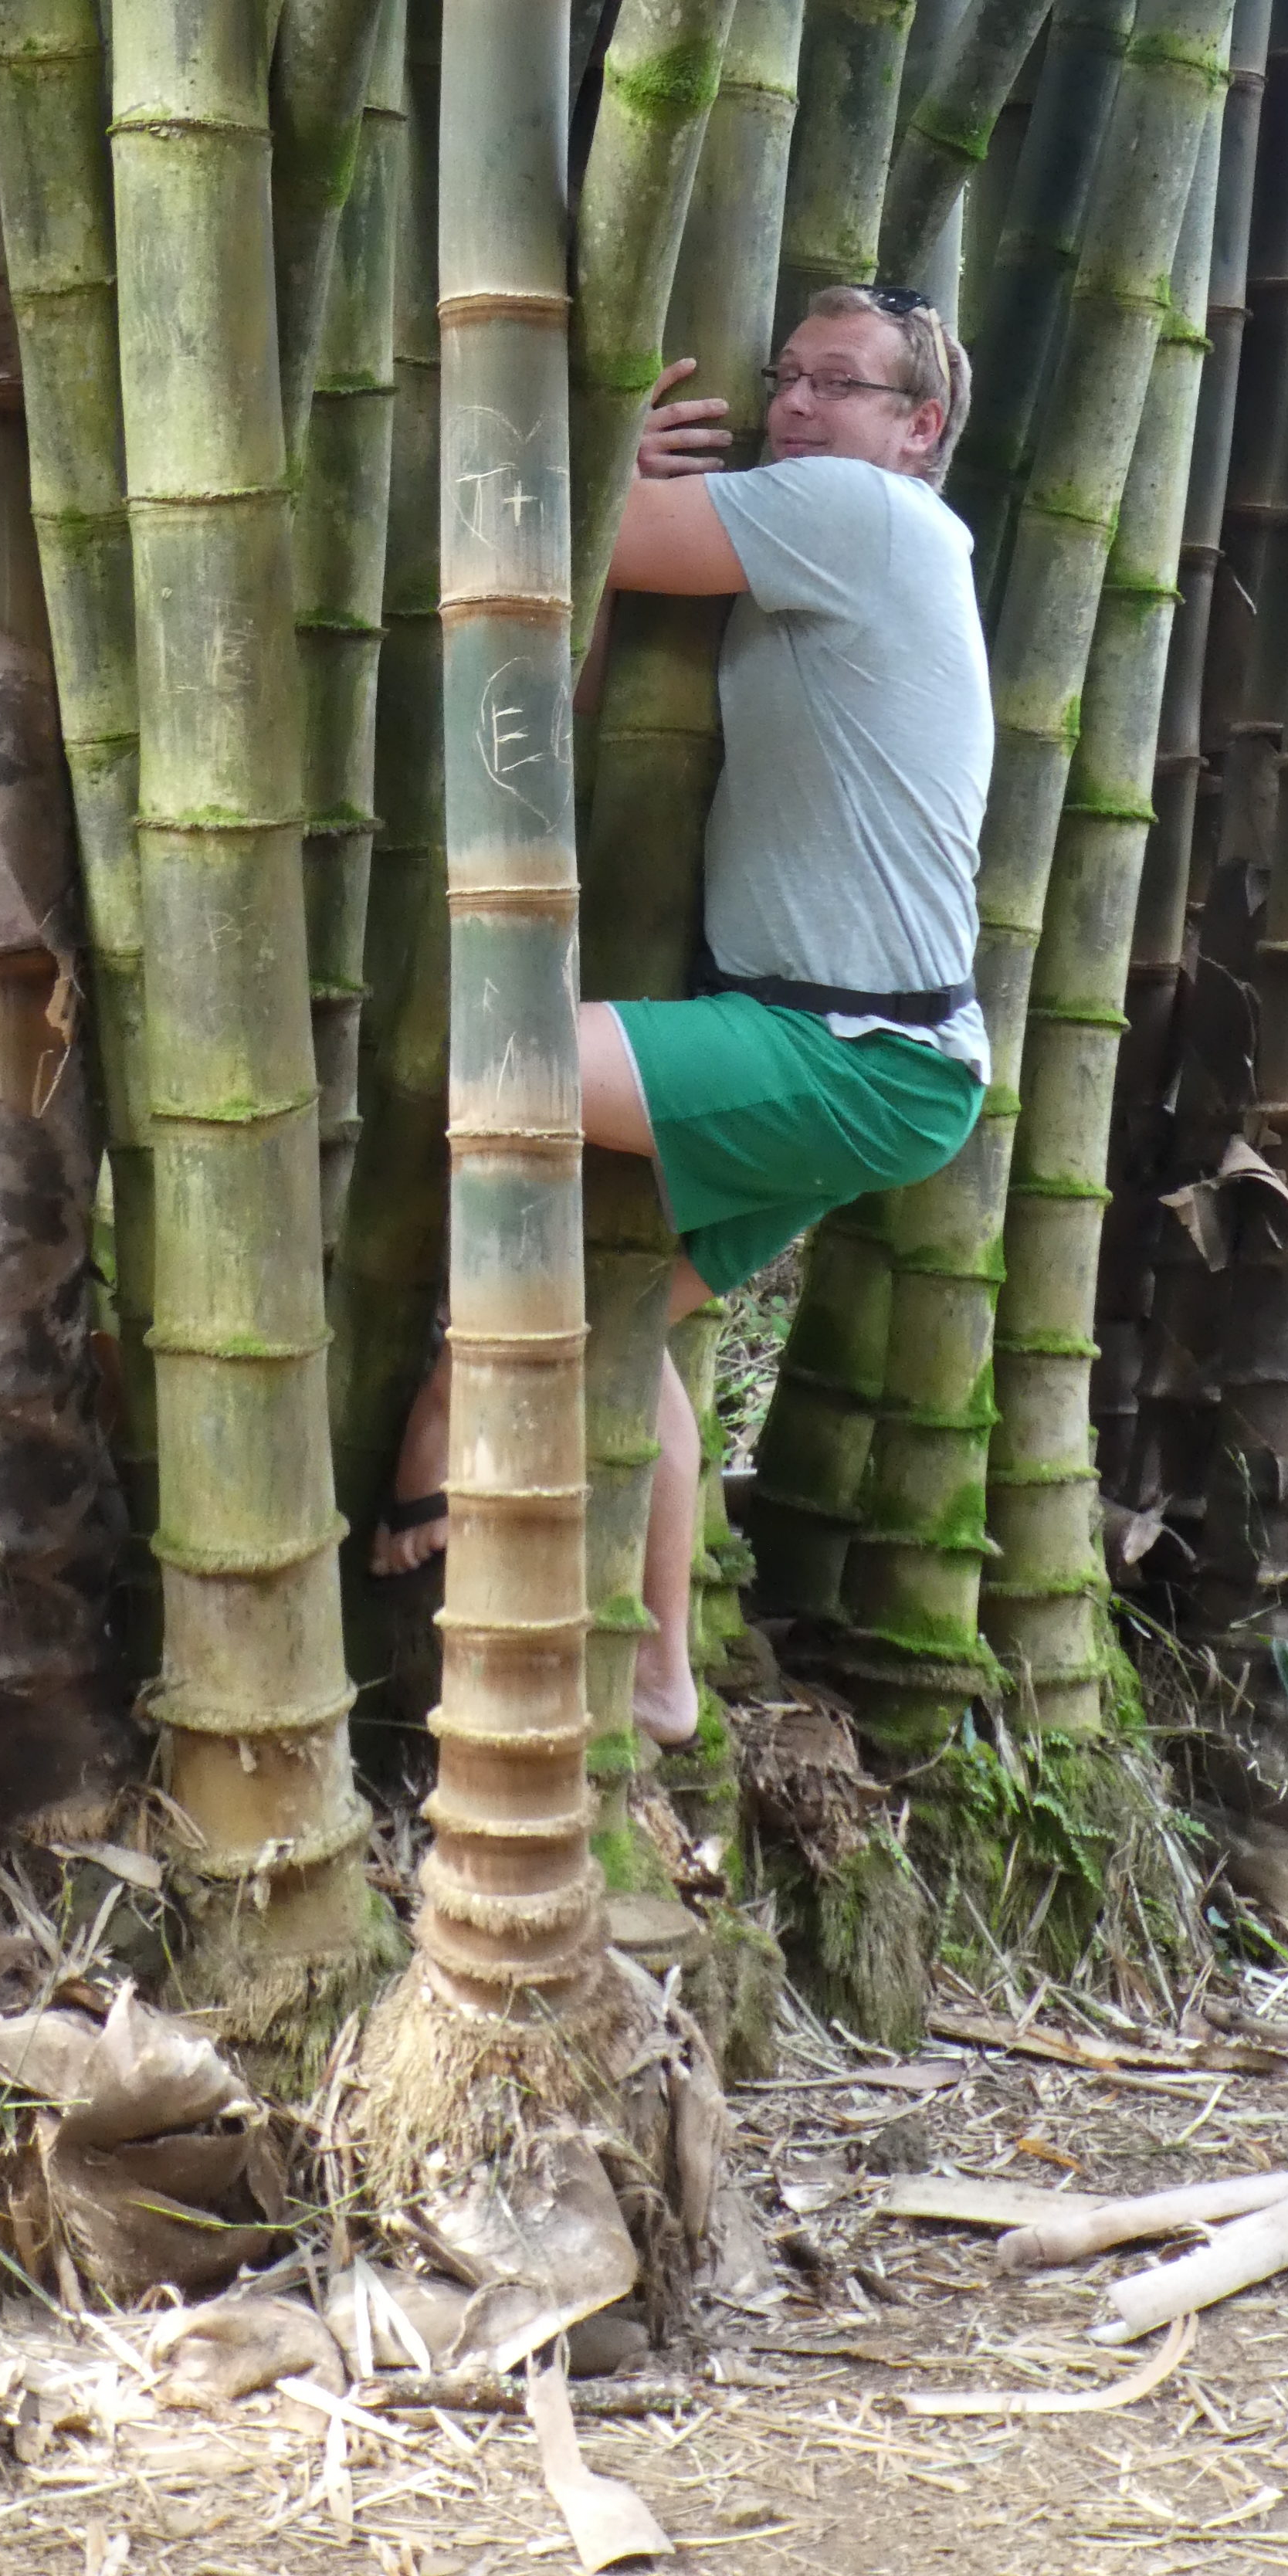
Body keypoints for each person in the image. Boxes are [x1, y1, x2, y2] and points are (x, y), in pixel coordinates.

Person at [375, 283, 995, 1748]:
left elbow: (550, 532)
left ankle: (444, 1402)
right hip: (872, 1056)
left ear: (920, 429)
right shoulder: (807, 546)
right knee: (616, 1314)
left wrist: (607, 454)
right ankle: (661, 1677)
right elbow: (587, 670)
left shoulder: (865, 517)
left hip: (845, 1055)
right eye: (787, 377)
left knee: (496, 1063)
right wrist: (616, 503)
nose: (797, 406)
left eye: (840, 385)